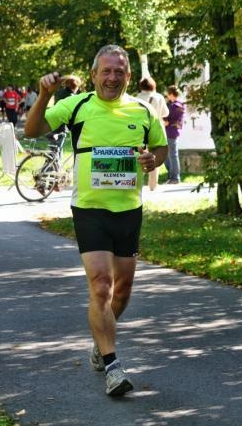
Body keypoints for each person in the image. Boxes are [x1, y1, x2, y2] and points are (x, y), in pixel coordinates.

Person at [24, 44, 168, 396]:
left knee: (123, 291)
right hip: (89, 208)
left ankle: (100, 341)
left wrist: (153, 160)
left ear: (128, 76)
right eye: (106, 71)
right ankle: (113, 365)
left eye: (119, 71)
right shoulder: (77, 106)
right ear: (93, 75)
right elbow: (32, 129)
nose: (112, 77)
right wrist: (44, 94)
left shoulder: (142, 109)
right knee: (101, 284)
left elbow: (160, 148)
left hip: (128, 208)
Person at [136, 76, 169, 190]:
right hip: (157, 127)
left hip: (142, 129)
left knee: (142, 155)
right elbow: (165, 113)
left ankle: (139, 182)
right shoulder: (159, 97)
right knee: (154, 156)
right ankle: (153, 185)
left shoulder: (137, 97)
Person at [163, 85, 184, 184]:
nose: (167, 96)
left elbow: (167, 119)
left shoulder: (174, 106)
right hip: (172, 131)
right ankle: (172, 177)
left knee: (172, 155)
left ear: (171, 94)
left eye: (168, 94)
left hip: (171, 131)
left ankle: (175, 177)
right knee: (170, 155)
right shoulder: (178, 104)